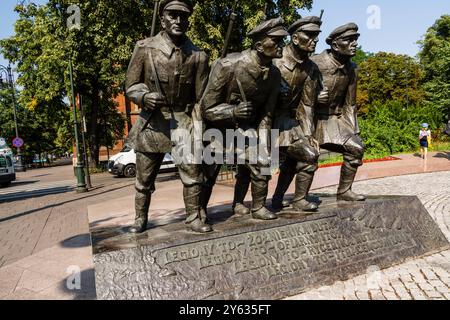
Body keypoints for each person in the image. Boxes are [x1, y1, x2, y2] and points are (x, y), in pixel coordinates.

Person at [125, 0, 211, 233]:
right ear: (162, 18)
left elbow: (201, 98)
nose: (178, 21)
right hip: (153, 122)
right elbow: (131, 85)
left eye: (183, 16)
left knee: (192, 173)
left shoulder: (198, 56)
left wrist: (199, 129)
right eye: (172, 15)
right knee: (144, 178)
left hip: (183, 120)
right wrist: (143, 97)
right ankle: (139, 218)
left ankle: (193, 217)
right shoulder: (145, 48)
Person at [201, 18, 288, 220]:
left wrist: (264, 143)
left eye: (282, 40)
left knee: (261, 161)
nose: (281, 45)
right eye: (275, 41)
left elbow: (267, 114)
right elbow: (207, 108)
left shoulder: (274, 74)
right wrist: (233, 112)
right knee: (209, 173)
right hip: (217, 128)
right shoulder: (228, 65)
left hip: (246, 128)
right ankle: (199, 210)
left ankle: (256, 207)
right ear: (258, 45)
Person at [271, 16, 322, 213]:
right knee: (251, 169)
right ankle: (241, 204)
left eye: (316, 36)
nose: (314, 40)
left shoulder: (310, 68)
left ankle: (296, 198)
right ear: (294, 38)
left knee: (307, 154)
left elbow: (307, 104)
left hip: (288, 123)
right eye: (309, 35)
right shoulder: (275, 59)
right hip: (265, 120)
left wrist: (308, 134)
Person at [311, 23, 366, 201]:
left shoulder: (352, 68)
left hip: (334, 121)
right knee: (302, 158)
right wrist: (315, 98)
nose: (354, 44)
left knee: (356, 147)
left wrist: (353, 132)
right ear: (335, 45)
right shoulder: (314, 64)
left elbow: (350, 104)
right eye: (349, 40)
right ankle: (289, 197)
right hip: (310, 120)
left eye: (355, 40)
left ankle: (344, 191)